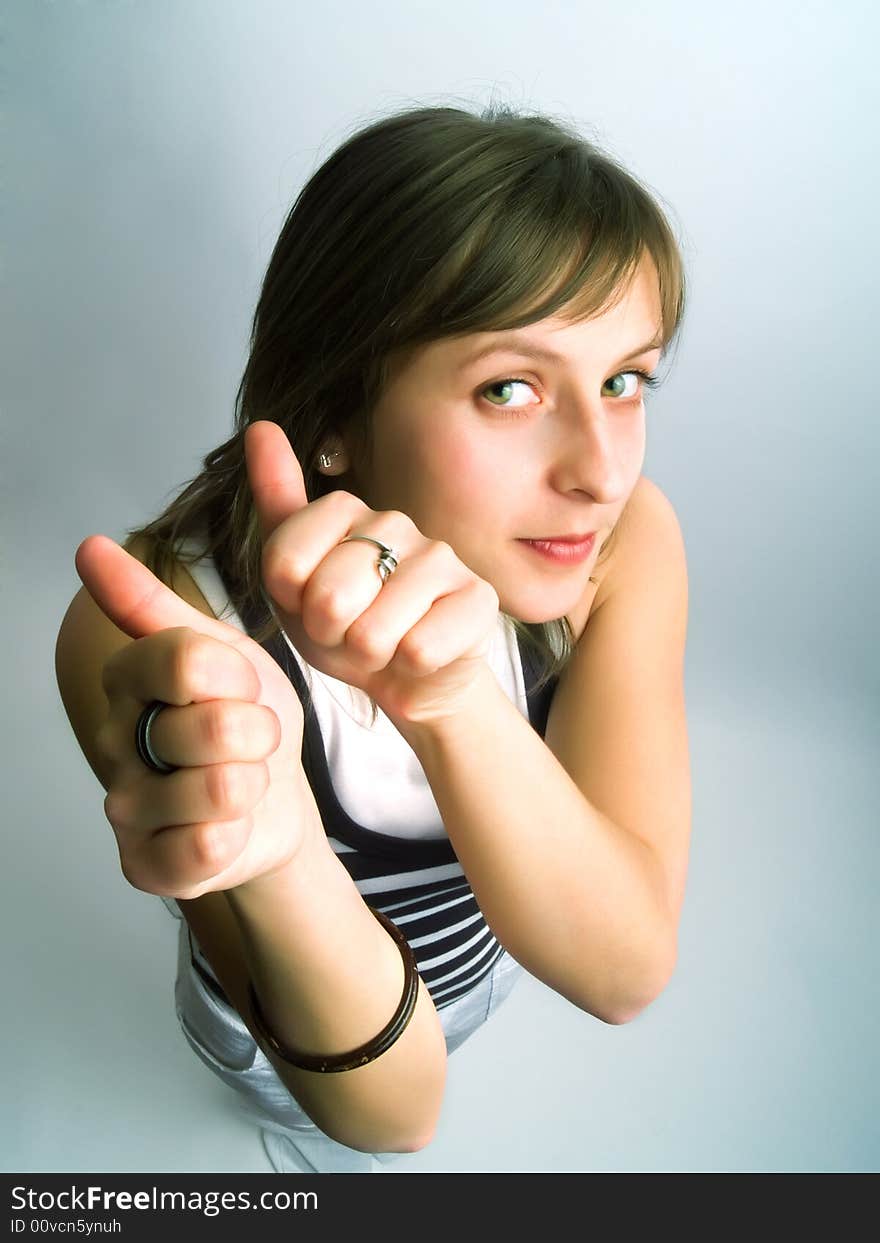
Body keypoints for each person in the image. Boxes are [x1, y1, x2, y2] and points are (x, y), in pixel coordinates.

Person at [54, 102, 692, 1174]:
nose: (602, 470)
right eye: (510, 387)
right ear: (337, 410)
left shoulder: (621, 542)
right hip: (304, 1048)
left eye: (624, 379)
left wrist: (447, 697)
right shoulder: (175, 622)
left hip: (493, 964)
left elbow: (621, 968)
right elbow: (393, 1117)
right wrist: (281, 855)